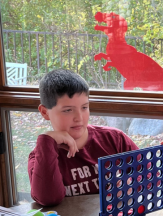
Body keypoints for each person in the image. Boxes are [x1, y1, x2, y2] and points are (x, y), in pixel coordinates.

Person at [28, 69, 138, 206]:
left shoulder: (114, 139)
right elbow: (48, 199)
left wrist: (132, 183)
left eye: (84, 108)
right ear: (45, 112)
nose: (79, 118)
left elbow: (151, 177)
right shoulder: (41, 155)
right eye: (68, 110)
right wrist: (46, 140)